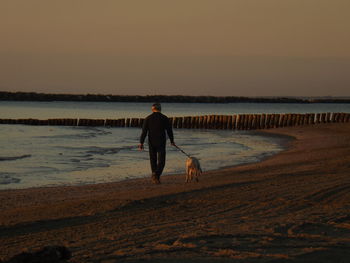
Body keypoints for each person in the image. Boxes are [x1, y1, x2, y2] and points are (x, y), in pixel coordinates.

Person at [139, 103, 175, 184]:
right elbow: (169, 130)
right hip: (161, 141)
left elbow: (144, 132)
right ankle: (156, 175)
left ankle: (154, 175)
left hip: (151, 141)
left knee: (153, 159)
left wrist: (141, 142)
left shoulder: (148, 118)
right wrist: (172, 141)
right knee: (162, 160)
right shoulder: (164, 118)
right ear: (160, 109)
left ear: (152, 109)